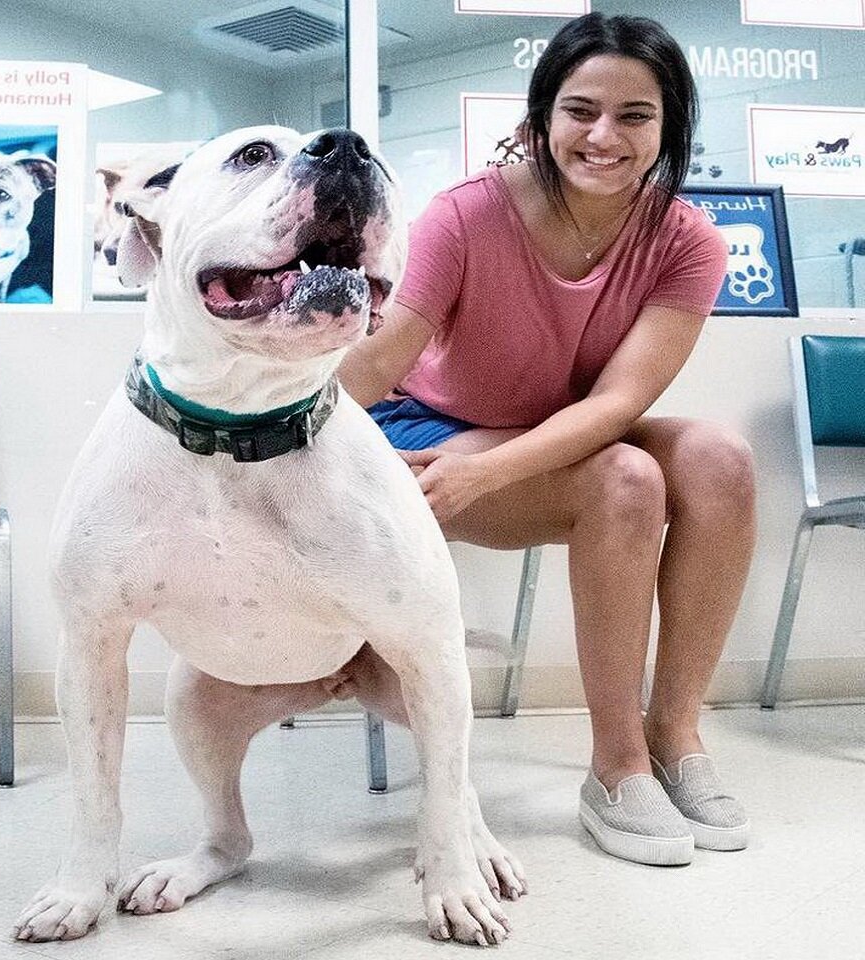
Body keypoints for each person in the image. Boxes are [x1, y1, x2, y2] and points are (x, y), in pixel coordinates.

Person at [337, 12, 755, 866]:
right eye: (580, 110)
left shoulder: (688, 242)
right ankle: (616, 766)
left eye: (636, 116)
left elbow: (617, 403)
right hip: (429, 433)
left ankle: (675, 733)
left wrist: (486, 472)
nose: (605, 136)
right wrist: (264, 426)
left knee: (720, 461)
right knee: (626, 480)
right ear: (541, 118)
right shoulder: (465, 215)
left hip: (547, 434)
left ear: (668, 126)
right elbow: (383, 361)